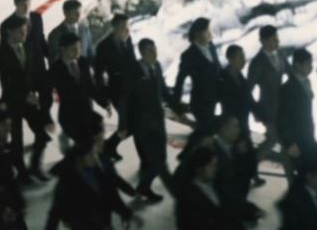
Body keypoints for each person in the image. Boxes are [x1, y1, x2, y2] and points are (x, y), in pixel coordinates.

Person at [121, 38, 180, 201]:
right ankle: (177, 195)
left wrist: (178, 108)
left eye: (155, 49)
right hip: (142, 124)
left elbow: (164, 91)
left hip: (158, 121)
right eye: (150, 51)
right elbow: (125, 99)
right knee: (159, 162)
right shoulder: (133, 71)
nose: (154, 53)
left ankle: (143, 188)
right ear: (141, 52)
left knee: (159, 159)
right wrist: (123, 125)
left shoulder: (157, 66)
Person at [0, 15, 52, 181]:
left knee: (42, 135)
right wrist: (25, 97)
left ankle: (35, 166)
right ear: (10, 32)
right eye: (21, 32)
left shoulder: (28, 48)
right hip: (13, 102)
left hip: (30, 100)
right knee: (17, 141)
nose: (24, 34)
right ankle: (21, 173)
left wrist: (37, 93)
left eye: (25, 31)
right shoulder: (2, 54)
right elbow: (6, 84)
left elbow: (32, 75)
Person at [95, 15, 139, 160]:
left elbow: (133, 63)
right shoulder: (103, 46)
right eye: (124, 28)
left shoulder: (128, 40)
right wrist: (103, 98)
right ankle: (108, 146)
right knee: (129, 123)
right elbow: (98, 74)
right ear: (114, 28)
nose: (127, 31)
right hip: (117, 90)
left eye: (128, 27)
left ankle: (109, 146)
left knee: (133, 123)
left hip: (132, 88)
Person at [50, 32, 111, 135]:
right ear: (63, 49)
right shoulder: (55, 69)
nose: (78, 51)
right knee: (85, 142)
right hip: (69, 115)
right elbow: (46, 94)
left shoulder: (83, 62)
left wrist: (104, 104)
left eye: (79, 47)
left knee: (99, 130)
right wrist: (47, 119)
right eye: (73, 49)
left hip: (86, 111)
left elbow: (90, 87)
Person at [278, 48, 317, 173]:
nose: (311, 67)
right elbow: (283, 118)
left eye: (311, 63)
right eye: (308, 64)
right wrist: (290, 143)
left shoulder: (307, 82)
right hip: (297, 138)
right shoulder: (287, 88)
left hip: (307, 134)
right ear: (297, 65)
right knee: (304, 173)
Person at [175, 17, 223, 130]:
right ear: (197, 34)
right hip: (201, 103)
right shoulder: (188, 55)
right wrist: (178, 109)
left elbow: (219, 70)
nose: (210, 34)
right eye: (207, 31)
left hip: (217, 98)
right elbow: (179, 82)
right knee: (206, 132)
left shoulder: (211, 47)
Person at [248, 25, 287, 161]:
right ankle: (251, 164)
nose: (277, 42)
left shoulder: (280, 54)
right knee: (275, 139)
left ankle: (251, 164)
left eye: (277, 39)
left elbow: (290, 73)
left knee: (279, 140)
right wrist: (257, 112)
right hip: (267, 109)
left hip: (282, 107)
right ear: (263, 41)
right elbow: (248, 90)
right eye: (273, 39)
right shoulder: (257, 62)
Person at [0, 0, 48, 70]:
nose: (27, 7)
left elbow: (41, 39)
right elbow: (4, 49)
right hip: (21, 68)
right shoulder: (6, 24)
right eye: (23, 4)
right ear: (16, 3)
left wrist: (50, 58)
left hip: (39, 65)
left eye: (29, 4)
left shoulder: (36, 17)